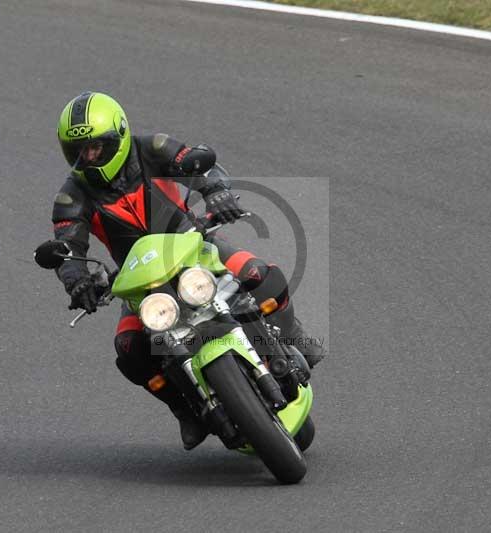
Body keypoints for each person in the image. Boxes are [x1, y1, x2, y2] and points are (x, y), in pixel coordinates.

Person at [50, 91, 325, 449]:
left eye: (96, 147)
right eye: (79, 151)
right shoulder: (72, 195)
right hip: (139, 279)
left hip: (194, 244)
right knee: (129, 348)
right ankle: (184, 409)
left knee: (261, 276)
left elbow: (197, 163)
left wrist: (216, 192)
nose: (88, 157)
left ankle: (294, 339)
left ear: (118, 136)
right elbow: (68, 246)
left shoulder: (151, 148)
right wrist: (77, 280)